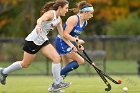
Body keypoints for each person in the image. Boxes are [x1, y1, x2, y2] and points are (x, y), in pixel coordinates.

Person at [0, 0, 73, 92]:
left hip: (43, 41)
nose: (67, 10)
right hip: (33, 41)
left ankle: (56, 84)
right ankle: (3, 72)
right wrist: (38, 26)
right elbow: (40, 19)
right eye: (66, 8)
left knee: (57, 58)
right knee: (25, 64)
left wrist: (72, 45)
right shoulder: (51, 13)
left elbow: (63, 35)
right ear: (59, 8)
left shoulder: (59, 20)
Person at [55, 1, 94, 80]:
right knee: (80, 60)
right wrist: (76, 40)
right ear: (85, 12)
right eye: (90, 13)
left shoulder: (85, 22)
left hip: (68, 43)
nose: (92, 16)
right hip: (61, 42)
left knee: (67, 65)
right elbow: (65, 34)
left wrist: (78, 45)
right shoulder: (74, 19)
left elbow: (76, 35)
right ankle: (58, 76)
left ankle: (56, 85)